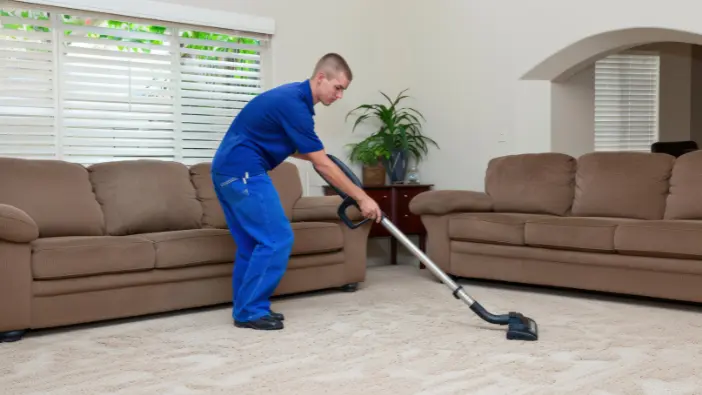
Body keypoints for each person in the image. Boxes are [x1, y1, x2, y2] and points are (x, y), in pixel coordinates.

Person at [210, 53, 383, 331]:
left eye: (343, 91)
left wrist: (319, 158)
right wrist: (361, 197)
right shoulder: (294, 106)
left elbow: (293, 149)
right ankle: (251, 310)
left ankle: (247, 309)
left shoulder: (292, 100)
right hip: (243, 171)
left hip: (227, 170)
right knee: (277, 238)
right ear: (320, 78)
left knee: (253, 244)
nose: (339, 95)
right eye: (337, 87)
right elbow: (323, 166)